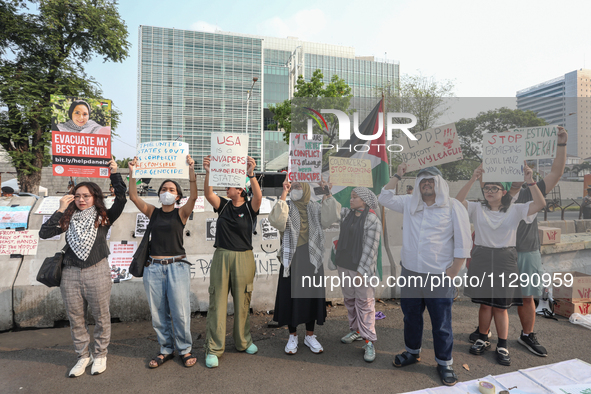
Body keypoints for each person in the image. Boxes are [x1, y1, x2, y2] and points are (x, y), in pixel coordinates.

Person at [468, 127, 568, 358]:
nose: (513, 169)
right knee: (490, 297)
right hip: (496, 254)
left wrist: (561, 145)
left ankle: (527, 334)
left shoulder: (531, 192)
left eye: (517, 165)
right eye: (508, 165)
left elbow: (556, 172)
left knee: (526, 295)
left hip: (526, 251)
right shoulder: (494, 192)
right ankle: (484, 333)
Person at [378, 165, 472, 387]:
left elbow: (463, 242)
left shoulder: (453, 207)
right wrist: (399, 174)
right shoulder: (410, 203)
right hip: (410, 273)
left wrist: (453, 272)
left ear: (439, 184)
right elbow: (384, 197)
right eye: (422, 181)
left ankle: (444, 363)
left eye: (430, 181)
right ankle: (412, 352)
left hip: (439, 276)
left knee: (441, 323)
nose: (426, 184)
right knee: (411, 317)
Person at [39, 158, 125, 377]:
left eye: (86, 196)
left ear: (95, 197)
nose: (81, 199)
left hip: (97, 271)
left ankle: (100, 354)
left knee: (101, 316)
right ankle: (82, 356)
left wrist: (114, 172)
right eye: (77, 196)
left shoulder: (103, 216)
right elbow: (45, 233)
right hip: (70, 273)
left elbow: (122, 198)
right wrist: (60, 209)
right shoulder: (68, 217)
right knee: (76, 317)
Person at [456, 163, 546, 366]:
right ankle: (482, 338)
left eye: (494, 188)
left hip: (505, 259)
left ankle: (502, 344)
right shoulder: (477, 208)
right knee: (485, 303)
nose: (489, 191)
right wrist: (472, 178)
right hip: (481, 257)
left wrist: (530, 180)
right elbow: (457, 201)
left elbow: (540, 203)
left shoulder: (516, 210)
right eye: (486, 188)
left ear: (504, 191)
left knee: (501, 306)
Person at [128, 155, 197, 368]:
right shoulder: (153, 212)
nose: (167, 192)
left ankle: (185, 349)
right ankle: (166, 349)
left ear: (177, 196)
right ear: (159, 194)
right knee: (158, 313)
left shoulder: (182, 214)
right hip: (153, 269)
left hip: (177, 267)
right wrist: (132, 172)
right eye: (164, 189)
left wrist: (192, 171)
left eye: (172, 190)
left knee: (180, 312)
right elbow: (133, 196)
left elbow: (194, 197)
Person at [268, 175, 340, 356]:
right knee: (291, 297)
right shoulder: (287, 206)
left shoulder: (315, 207)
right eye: (293, 186)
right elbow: (277, 221)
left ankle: (310, 335)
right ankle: (292, 336)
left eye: (299, 186)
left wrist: (327, 192)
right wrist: (284, 193)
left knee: (311, 297)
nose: (296, 189)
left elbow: (329, 219)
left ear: (307, 189)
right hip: (292, 258)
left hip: (312, 259)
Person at [202, 155, 262, 368]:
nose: (226, 187)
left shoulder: (249, 208)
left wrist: (251, 173)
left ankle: (243, 342)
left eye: (230, 185)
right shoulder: (224, 206)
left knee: (242, 301)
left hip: (244, 257)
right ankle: (214, 348)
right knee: (217, 302)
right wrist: (208, 170)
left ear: (239, 189)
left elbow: (258, 196)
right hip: (222, 256)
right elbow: (208, 193)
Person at [336, 187, 381, 363]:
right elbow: (332, 211)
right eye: (351, 197)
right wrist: (326, 191)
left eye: (355, 197)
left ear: (364, 200)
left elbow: (371, 249)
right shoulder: (347, 213)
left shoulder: (372, 220)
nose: (351, 199)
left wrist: (361, 271)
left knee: (365, 303)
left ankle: (369, 340)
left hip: (361, 270)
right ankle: (355, 330)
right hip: (344, 265)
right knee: (350, 300)